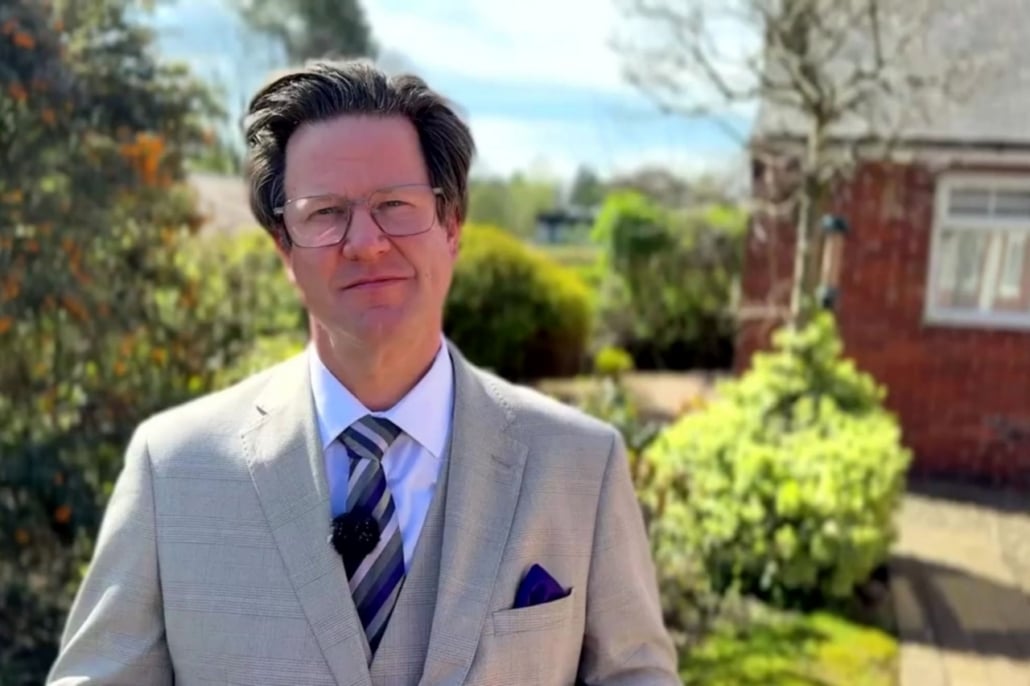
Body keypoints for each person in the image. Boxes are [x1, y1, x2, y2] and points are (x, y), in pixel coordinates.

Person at [47, 60, 678, 686]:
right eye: (324, 213)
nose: (366, 242)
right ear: (284, 249)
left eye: (395, 205)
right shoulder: (174, 470)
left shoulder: (578, 465)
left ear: (451, 225)